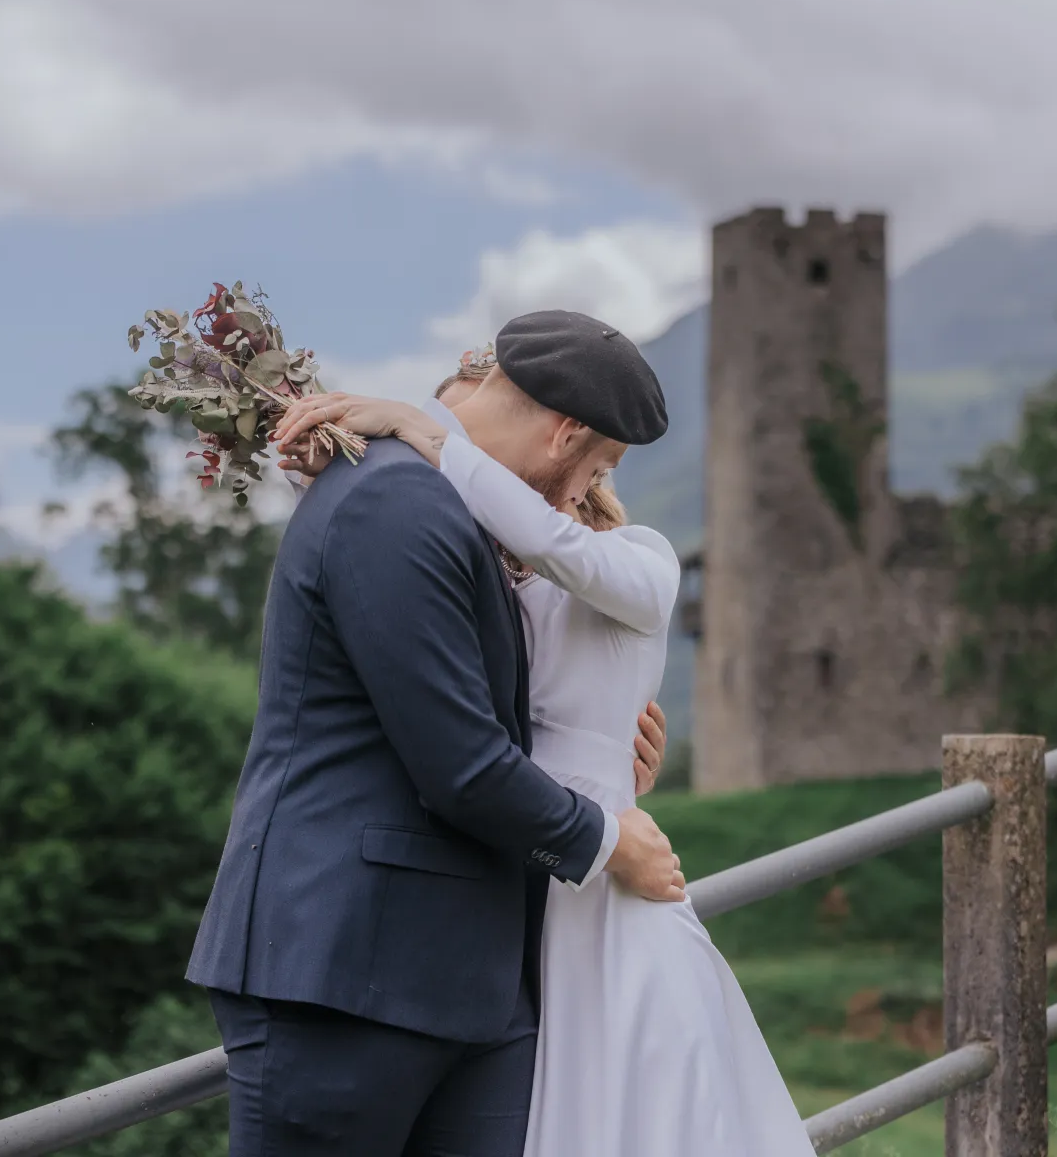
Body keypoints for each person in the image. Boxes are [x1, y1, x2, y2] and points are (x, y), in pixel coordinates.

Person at [273, 342, 821, 1157]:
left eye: (600, 469)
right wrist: (334, 456)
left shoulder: (644, 562)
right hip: (526, 893)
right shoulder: (505, 582)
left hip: (603, 885)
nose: (581, 483)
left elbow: (550, 544)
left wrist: (416, 429)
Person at [186, 310, 688, 1157]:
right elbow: (459, 761)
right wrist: (607, 839)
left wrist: (606, 748)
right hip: (345, 970)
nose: (580, 495)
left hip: (470, 980)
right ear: (564, 434)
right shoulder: (394, 501)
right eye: (594, 466)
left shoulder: (445, 500)